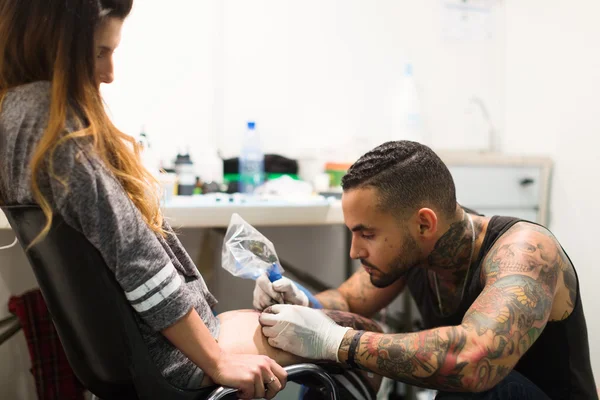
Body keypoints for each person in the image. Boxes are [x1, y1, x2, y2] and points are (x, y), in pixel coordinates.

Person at [0, 1, 385, 399]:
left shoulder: (13, 116)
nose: (110, 73)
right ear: (55, 44)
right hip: (177, 358)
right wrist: (217, 362)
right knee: (368, 337)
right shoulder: (57, 130)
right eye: (100, 52)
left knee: (320, 320)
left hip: (144, 356)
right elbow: (140, 265)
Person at [255, 140, 598, 399]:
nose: (355, 250)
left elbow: (473, 356)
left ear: (423, 223)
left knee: (471, 381)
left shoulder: (524, 250)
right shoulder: (418, 249)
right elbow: (348, 300)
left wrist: (338, 341)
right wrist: (303, 303)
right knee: (335, 345)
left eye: (367, 234)